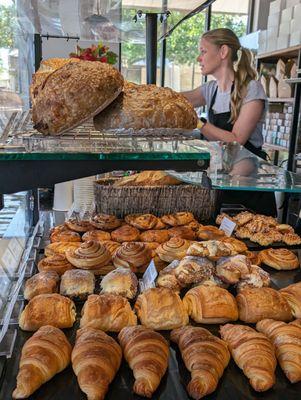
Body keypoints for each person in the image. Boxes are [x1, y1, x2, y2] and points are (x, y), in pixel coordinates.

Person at [183, 28, 276, 216]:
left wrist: (199, 123)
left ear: (223, 52)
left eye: (203, 51)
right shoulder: (211, 89)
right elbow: (177, 99)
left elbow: (236, 140)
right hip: (223, 179)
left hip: (250, 188)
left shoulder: (251, 89)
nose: (198, 58)